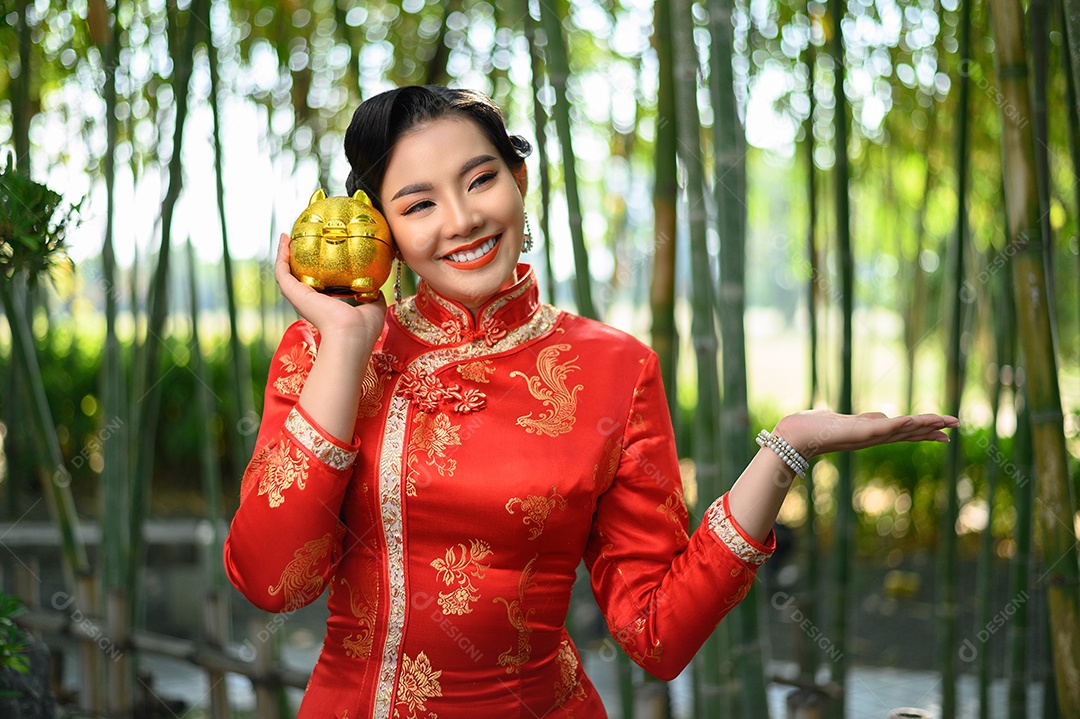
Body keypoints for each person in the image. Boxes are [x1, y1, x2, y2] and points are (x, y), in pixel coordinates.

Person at [223, 85, 957, 718]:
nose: (462, 219)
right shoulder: (325, 350)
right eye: (419, 204)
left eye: (481, 180)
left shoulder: (615, 370)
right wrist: (347, 344)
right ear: (383, 228)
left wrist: (786, 449)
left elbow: (657, 632)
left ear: (518, 180)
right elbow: (272, 581)